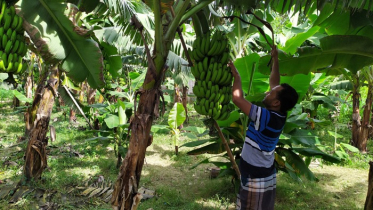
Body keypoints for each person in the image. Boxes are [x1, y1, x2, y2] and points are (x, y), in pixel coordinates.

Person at [229, 46, 299, 210]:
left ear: (276, 103)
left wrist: (237, 76)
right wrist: (275, 59)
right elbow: (274, 82)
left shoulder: (266, 117)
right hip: (261, 173)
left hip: (256, 177)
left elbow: (237, 99)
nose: (267, 92)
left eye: (270, 93)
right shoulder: (278, 114)